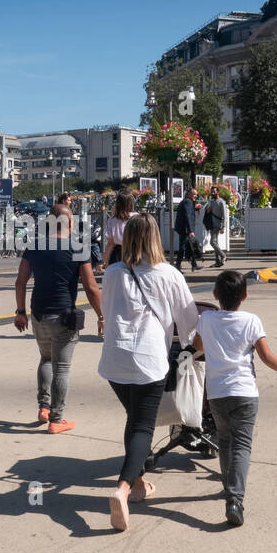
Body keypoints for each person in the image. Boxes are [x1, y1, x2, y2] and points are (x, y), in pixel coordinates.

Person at [98, 215, 198, 532]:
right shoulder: (168, 274)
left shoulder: (113, 273)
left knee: (135, 421)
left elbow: (107, 310)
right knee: (142, 428)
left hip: (115, 360)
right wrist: (190, 345)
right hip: (148, 361)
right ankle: (123, 490)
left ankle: (139, 484)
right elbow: (189, 322)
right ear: (156, 238)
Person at [192, 270, 277, 527]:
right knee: (241, 445)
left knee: (225, 441)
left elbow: (197, 346)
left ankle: (230, 488)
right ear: (245, 296)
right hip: (245, 393)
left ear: (215, 295)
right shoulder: (251, 321)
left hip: (217, 393)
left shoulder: (206, 319)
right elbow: (265, 356)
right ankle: (235, 499)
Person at [13, 204, 103, 434]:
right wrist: (102, 315)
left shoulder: (34, 246)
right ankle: (56, 419)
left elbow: (20, 282)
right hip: (63, 315)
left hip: (38, 313)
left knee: (45, 359)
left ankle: (43, 408)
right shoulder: (78, 247)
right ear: (70, 223)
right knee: (61, 368)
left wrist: (20, 312)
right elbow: (91, 287)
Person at [101, 190, 136, 270]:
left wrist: (105, 261)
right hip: (134, 251)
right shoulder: (136, 217)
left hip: (117, 253)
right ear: (131, 202)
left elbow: (110, 243)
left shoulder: (112, 219)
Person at [173, 188, 200, 273]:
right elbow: (188, 216)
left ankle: (194, 264)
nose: (196, 196)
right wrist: (191, 230)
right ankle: (177, 266)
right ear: (188, 194)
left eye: (196, 194)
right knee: (183, 248)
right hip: (185, 229)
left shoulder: (186, 201)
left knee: (189, 246)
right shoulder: (188, 202)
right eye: (194, 194)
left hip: (184, 228)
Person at [204, 186, 228, 267]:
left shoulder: (221, 202)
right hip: (211, 223)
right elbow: (207, 210)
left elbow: (224, 215)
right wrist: (208, 209)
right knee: (215, 242)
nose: (212, 193)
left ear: (218, 192)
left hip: (217, 224)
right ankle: (217, 261)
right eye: (212, 192)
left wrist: (223, 227)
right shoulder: (211, 201)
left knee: (212, 242)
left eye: (214, 192)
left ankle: (223, 255)